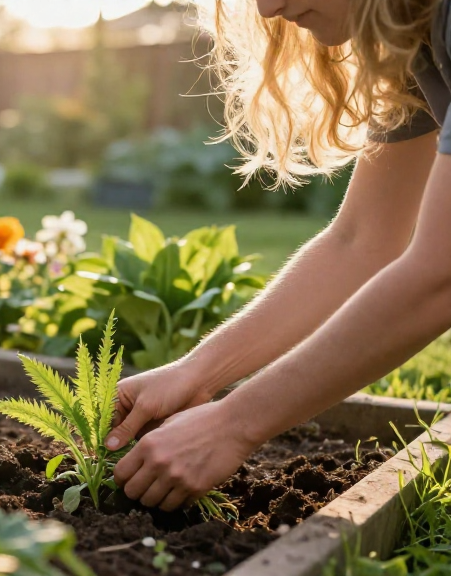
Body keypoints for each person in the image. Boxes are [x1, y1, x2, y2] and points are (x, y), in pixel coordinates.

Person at [108, 0, 451, 513]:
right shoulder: (412, 37)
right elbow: (363, 241)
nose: (269, 8)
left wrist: (234, 424)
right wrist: (196, 373)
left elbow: (440, 273)